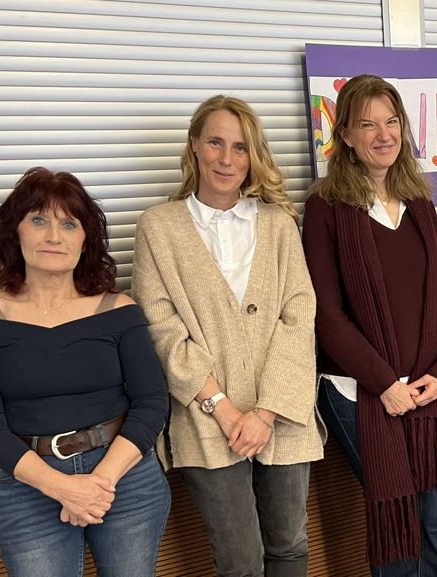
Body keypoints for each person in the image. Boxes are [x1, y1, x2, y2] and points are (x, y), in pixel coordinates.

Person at [131, 95, 322, 577]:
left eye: (240, 147)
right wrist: (225, 408)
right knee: (239, 560)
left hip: (281, 412)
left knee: (289, 546)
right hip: (204, 416)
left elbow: (299, 316)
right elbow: (160, 325)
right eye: (215, 142)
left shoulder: (279, 224)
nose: (226, 158)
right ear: (194, 145)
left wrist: (264, 412)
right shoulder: (159, 227)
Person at [0, 167, 170, 577]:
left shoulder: (118, 309)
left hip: (125, 477)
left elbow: (152, 403)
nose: (53, 236)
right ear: (14, 232)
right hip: (29, 485)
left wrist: (98, 484)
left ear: (84, 239)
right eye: (38, 220)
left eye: (69, 224)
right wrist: (63, 488)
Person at [302, 74, 437, 576]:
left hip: (431, 389)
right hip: (361, 392)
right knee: (399, 522)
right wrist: (385, 384)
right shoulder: (326, 207)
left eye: (391, 121)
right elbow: (326, 314)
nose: (382, 134)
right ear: (345, 135)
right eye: (366, 124)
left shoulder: (420, 201)